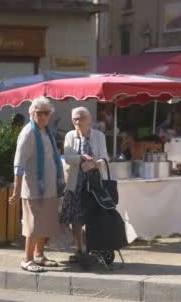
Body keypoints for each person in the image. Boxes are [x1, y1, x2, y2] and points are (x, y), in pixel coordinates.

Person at [10, 96, 63, 273]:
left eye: (47, 113)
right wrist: (16, 190)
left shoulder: (47, 132)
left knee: (45, 222)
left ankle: (39, 255)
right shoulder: (28, 133)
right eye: (40, 113)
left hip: (49, 186)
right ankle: (27, 259)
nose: (44, 116)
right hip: (33, 187)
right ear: (32, 113)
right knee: (33, 224)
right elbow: (19, 164)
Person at [60, 106, 109, 262]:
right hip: (76, 182)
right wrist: (81, 158)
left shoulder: (99, 136)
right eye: (75, 118)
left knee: (93, 217)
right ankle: (80, 249)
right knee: (76, 218)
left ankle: (93, 248)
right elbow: (67, 158)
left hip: (94, 183)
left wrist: (97, 162)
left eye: (81, 118)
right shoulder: (70, 136)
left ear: (89, 120)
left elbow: (105, 157)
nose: (77, 121)